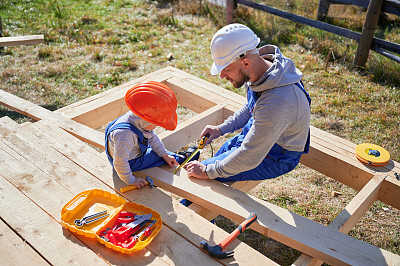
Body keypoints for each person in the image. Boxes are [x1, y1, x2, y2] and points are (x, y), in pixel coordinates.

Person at [183, 23, 311, 183]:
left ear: (245, 63)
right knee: (219, 157)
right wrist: (220, 129)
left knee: (203, 180)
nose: (222, 75)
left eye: (226, 69)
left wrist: (208, 172)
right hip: (260, 137)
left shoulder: (277, 102)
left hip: (277, 155)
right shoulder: (260, 72)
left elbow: (249, 155)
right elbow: (252, 107)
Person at [105, 81, 197, 188]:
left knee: (160, 152)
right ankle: (183, 159)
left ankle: (171, 156)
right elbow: (120, 162)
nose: (156, 127)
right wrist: (131, 180)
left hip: (127, 151)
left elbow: (153, 139)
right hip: (129, 162)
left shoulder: (138, 119)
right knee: (155, 156)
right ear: (147, 120)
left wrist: (165, 155)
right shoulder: (125, 135)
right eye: (156, 124)